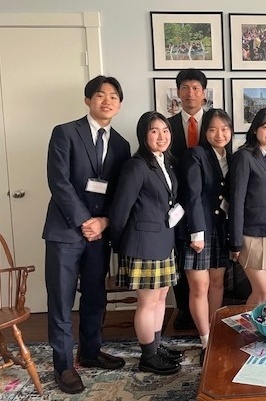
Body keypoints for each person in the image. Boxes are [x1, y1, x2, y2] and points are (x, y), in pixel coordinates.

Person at [43, 75, 130, 394]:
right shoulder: (65, 132)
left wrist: (104, 222)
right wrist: (84, 220)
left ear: (119, 104)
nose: (107, 101)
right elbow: (59, 181)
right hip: (65, 232)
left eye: (113, 96)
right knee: (61, 299)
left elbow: (119, 192)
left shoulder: (121, 144)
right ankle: (64, 365)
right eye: (100, 95)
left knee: (95, 295)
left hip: (98, 235)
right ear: (88, 100)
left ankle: (91, 351)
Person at [110, 111, 181, 376]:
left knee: (161, 297)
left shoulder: (165, 162)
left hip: (163, 240)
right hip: (143, 244)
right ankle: (148, 356)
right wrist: (119, 244)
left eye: (165, 130)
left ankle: (156, 345)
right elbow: (120, 210)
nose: (161, 136)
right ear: (143, 135)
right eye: (154, 131)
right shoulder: (136, 166)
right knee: (147, 302)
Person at [181, 108, 232, 356]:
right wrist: (196, 233)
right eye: (213, 129)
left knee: (217, 282)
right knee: (200, 287)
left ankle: (215, 330)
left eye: (224, 129)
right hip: (199, 231)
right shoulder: (196, 154)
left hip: (221, 229)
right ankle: (205, 340)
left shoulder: (232, 157)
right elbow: (192, 195)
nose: (219, 134)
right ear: (205, 132)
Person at [229, 108, 266, 306]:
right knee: (262, 289)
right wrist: (236, 242)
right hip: (250, 235)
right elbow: (236, 200)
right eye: (265, 126)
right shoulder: (244, 157)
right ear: (255, 129)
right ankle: (248, 325)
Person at [169, 69, 208, 330]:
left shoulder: (216, 123)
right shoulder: (167, 125)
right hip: (175, 202)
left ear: (203, 93)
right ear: (178, 92)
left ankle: (207, 313)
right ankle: (183, 308)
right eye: (185, 88)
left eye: (195, 88)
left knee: (204, 263)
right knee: (179, 255)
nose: (190, 93)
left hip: (206, 203)